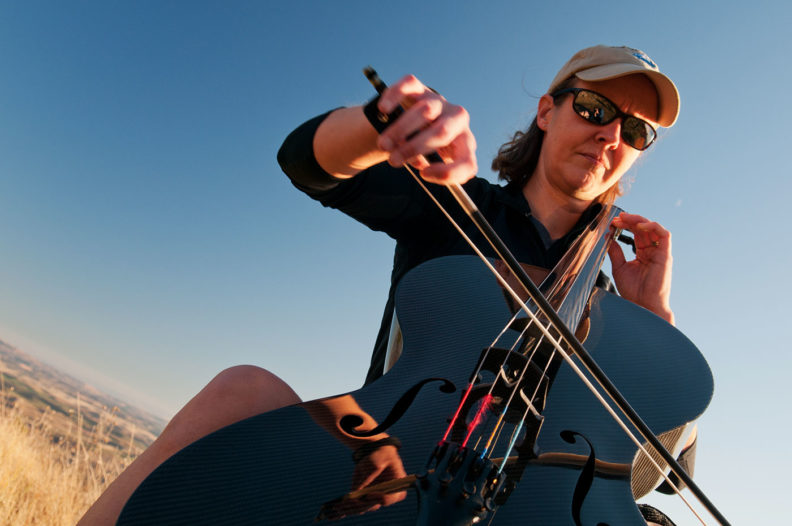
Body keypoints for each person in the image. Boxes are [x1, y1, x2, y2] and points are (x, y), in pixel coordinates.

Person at [79, 45, 690, 526]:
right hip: (379, 457)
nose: (610, 136)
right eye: (593, 108)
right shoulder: (455, 201)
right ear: (547, 110)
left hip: (515, 503)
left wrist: (653, 324)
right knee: (244, 389)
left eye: (635, 132)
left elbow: (653, 472)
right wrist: (381, 125)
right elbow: (307, 163)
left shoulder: (611, 306)